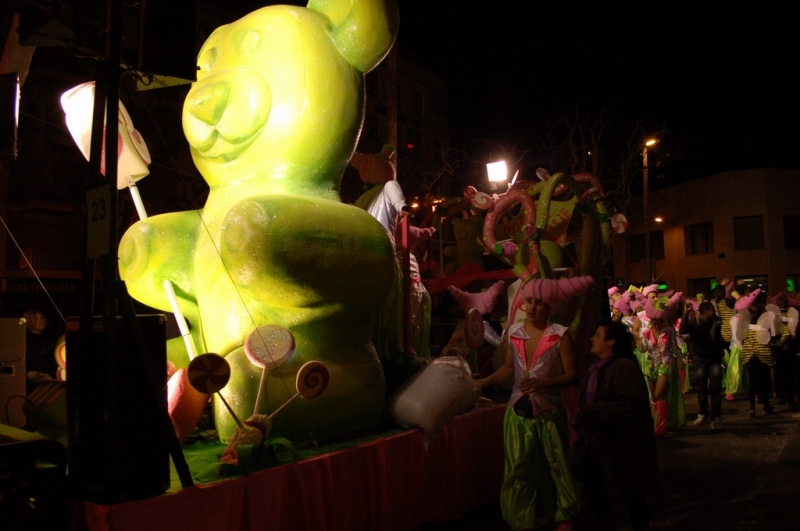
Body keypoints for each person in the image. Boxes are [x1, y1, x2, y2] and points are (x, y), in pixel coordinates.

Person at [475, 276, 594, 531]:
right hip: (517, 412)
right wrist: (483, 383)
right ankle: (520, 521)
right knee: (518, 469)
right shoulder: (514, 333)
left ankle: (563, 517)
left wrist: (545, 382)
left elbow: (573, 375)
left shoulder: (560, 335)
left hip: (549, 411)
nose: (531, 308)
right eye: (529, 301)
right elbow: (508, 369)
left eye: (538, 303)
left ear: (549, 306)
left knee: (556, 465)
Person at [574, 320, 659, 531]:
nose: (592, 338)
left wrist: (591, 412)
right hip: (600, 443)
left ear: (611, 341)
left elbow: (630, 407)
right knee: (595, 486)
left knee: (631, 495)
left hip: (623, 447)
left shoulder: (623, 368)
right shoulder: (597, 368)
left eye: (597, 334)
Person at [681, 301, 726, 428]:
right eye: (712, 309)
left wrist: (721, 349)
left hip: (714, 359)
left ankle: (716, 417)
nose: (714, 312)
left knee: (716, 390)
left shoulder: (716, 321)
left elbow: (719, 337)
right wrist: (685, 313)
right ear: (705, 311)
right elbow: (683, 330)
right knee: (701, 389)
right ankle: (703, 414)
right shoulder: (694, 322)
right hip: (700, 358)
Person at [23, 309, 56, 394]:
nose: (41, 320)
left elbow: (56, 361)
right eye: (36, 319)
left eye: (41, 318)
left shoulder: (52, 339)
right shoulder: (23, 340)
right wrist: (28, 373)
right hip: (29, 386)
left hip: (48, 384)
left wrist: (50, 375)